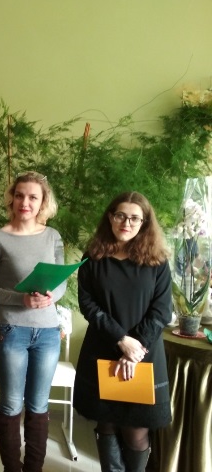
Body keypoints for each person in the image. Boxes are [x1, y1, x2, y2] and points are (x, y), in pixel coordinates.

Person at [74, 191, 172, 471]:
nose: (126, 223)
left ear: (144, 222)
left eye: (134, 218)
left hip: (144, 355)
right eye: (120, 215)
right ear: (110, 217)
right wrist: (120, 339)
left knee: (136, 430)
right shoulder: (93, 257)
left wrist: (134, 348)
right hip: (103, 348)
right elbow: (88, 305)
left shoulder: (157, 261)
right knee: (106, 424)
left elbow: (162, 311)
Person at [0, 171, 66, 472]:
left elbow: (61, 282)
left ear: (43, 202)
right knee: (12, 404)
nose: (25, 202)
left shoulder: (52, 236)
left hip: (48, 332)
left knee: (39, 405)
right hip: (11, 331)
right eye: (19, 195)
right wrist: (21, 299)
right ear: (11, 199)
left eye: (32, 197)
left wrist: (52, 296)